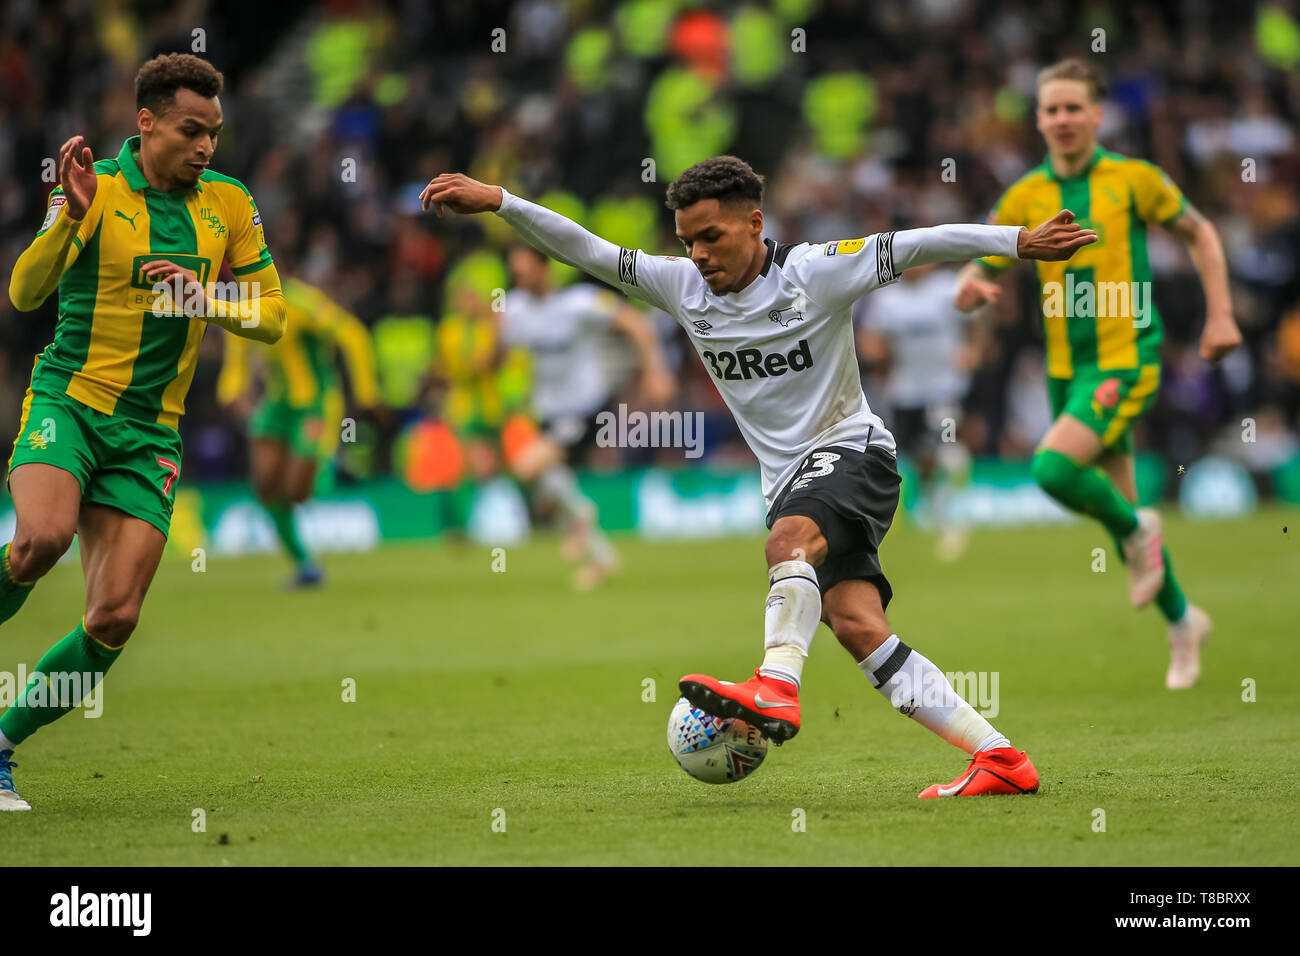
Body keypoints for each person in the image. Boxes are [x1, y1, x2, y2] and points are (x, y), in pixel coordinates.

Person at [419, 155, 1095, 797]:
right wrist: (501, 202)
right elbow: (584, 249)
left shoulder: (813, 273)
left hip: (853, 451)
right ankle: (1000, 757)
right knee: (857, 623)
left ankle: (776, 684)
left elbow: (914, 244)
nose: (698, 255)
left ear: (753, 223)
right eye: (687, 241)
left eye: (710, 236)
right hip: (789, 481)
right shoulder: (682, 287)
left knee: (788, 545)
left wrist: (1016, 242)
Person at [0, 54, 285, 810]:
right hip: (70, 400)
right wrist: (67, 215)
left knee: (116, 617)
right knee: (39, 542)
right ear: (147, 121)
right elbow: (25, 292)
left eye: (215, 134)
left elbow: (274, 316)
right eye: (192, 131)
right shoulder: (98, 186)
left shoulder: (229, 204)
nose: (206, 148)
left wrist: (209, 299)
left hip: (150, 432)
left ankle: (0, 744)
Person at [952, 58, 1243, 690]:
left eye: (1073, 107)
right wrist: (973, 284)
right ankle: (1183, 620)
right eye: (1050, 109)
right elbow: (983, 264)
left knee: (1053, 469)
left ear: (1097, 115)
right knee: (1119, 519)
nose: (1061, 119)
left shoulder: (1134, 179)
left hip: (1126, 357)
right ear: (1037, 119)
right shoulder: (1026, 194)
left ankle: (1144, 531)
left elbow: (1201, 233)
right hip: (1065, 369)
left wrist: (1219, 315)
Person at [503, 244, 675, 588]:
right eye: (514, 272)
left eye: (523, 270)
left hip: (585, 408)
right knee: (551, 480)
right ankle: (600, 555)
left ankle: (581, 518)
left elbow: (635, 324)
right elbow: (504, 357)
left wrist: (655, 371)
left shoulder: (579, 303)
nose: (518, 278)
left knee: (527, 467)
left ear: (543, 269)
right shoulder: (514, 310)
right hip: (546, 411)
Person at [218, 273, 382, 587]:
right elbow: (236, 366)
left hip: (315, 403)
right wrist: (233, 394)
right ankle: (306, 566)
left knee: (297, 491)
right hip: (276, 406)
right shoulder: (237, 307)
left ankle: (332, 464)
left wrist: (366, 394)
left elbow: (353, 335)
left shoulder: (301, 301)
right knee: (265, 486)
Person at [855, 262, 977, 561]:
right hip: (906, 392)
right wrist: (876, 351)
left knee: (946, 445)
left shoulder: (946, 287)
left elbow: (975, 320)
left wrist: (973, 348)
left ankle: (957, 518)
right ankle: (937, 516)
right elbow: (869, 337)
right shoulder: (888, 299)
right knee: (918, 458)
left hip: (944, 388)